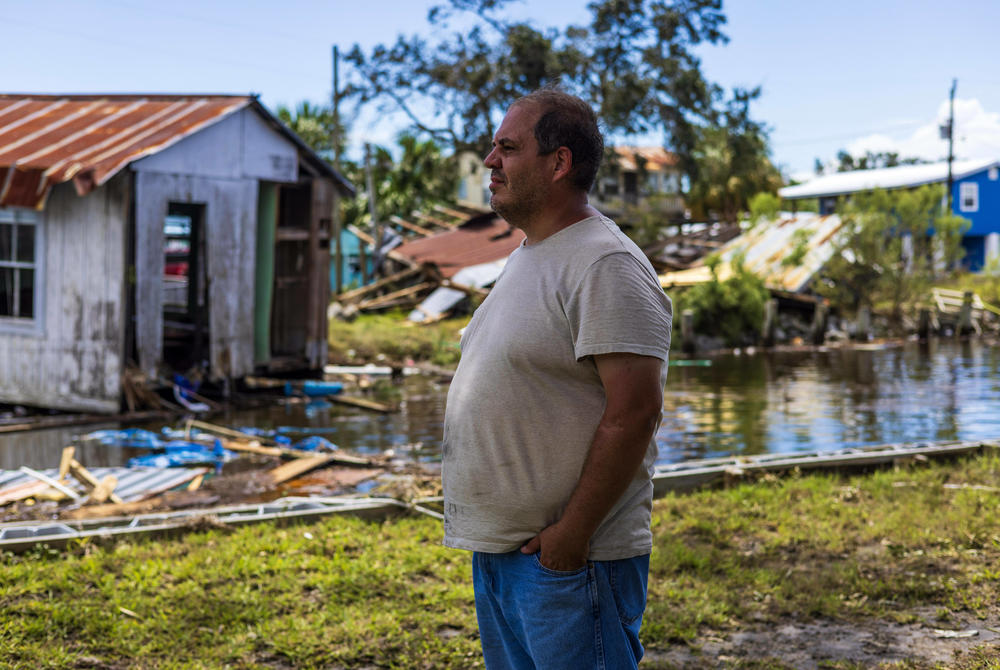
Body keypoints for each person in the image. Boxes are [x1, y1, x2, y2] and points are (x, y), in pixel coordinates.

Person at [441, 87, 672, 669]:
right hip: (506, 556)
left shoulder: (604, 263)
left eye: (507, 148)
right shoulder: (529, 255)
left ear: (559, 162)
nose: (490, 161)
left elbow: (636, 411)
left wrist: (572, 535)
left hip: (570, 563)